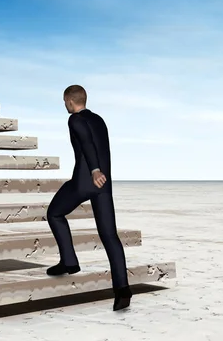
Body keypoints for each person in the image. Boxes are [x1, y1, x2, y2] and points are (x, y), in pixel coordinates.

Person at [46, 84, 133, 311]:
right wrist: (102, 174)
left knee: (54, 213)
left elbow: (86, 143)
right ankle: (122, 290)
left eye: (65, 102)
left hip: (86, 181)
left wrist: (94, 170)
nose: (65, 105)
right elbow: (102, 147)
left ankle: (69, 261)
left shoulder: (74, 119)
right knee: (109, 235)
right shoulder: (99, 120)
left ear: (70, 101)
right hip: (104, 185)